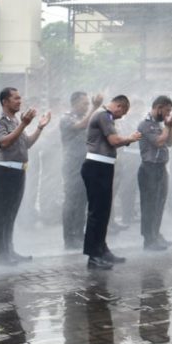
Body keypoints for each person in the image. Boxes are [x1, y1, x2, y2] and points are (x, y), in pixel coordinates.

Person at [0, 87, 51, 265]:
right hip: (3, 172)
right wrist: (24, 124)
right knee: (1, 215)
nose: (19, 101)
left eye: (20, 98)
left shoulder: (16, 121)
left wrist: (39, 127)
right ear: (5, 102)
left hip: (17, 172)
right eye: (15, 98)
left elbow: (27, 143)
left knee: (11, 214)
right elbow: (5, 143)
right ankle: (0, 255)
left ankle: (9, 249)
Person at [81, 95, 141, 270]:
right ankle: (93, 256)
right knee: (96, 213)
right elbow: (113, 140)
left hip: (104, 166)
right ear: (119, 106)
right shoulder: (104, 115)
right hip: (96, 166)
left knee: (104, 212)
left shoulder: (106, 116)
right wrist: (130, 138)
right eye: (123, 112)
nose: (122, 116)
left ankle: (102, 249)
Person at [60, 91, 103, 249]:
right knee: (72, 200)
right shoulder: (66, 118)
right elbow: (81, 125)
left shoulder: (86, 116)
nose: (87, 106)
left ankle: (79, 234)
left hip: (86, 163)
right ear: (75, 103)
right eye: (84, 104)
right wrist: (95, 107)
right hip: (72, 164)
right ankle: (69, 238)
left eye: (88, 104)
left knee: (83, 200)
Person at [138, 95, 172, 251]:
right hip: (149, 169)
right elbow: (159, 142)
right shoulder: (146, 124)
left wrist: (170, 127)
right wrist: (167, 126)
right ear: (158, 108)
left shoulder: (159, 125)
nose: (168, 114)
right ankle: (148, 239)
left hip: (160, 168)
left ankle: (156, 234)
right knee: (149, 205)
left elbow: (170, 142)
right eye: (167, 110)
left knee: (159, 203)